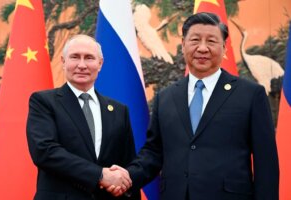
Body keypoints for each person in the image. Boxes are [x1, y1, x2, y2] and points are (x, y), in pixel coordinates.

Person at [111, 12, 279, 200]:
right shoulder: (165, 97)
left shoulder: (250, 94)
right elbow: (153, 153)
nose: (202, 48)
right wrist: (127, 176)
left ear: (224, 48)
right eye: (195, 40)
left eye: (211, 41)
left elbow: (266, 163)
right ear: (183, 45)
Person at [26, 34, 140, 200]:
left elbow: (127, 164)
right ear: (63, 62)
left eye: (89, 58)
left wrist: (124, 186)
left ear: (100, 64)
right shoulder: (43, 101)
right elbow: (45, 152)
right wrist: (100, 175)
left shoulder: (118, 110)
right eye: (74, 57)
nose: (81, 65)